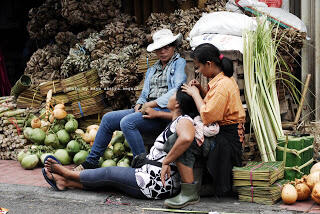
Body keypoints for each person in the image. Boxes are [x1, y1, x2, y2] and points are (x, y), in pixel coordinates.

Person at [42, 86, 199, 201]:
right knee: (111, 182)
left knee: (109, 173)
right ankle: (65, 181)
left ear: (177, 104)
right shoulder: (177, 119)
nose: (169, 97)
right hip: (154, 179)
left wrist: (167, 160)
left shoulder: (184, 120)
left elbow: (186, 138)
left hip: (154, 183)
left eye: (173, 95)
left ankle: (68, 174)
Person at [74, 29, 187, 171]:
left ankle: (143, 165)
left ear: (173, 46)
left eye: (167, 47)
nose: (163, 51)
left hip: (164, 111)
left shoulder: (179, 63)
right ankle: (91, 161)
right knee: (108, 118)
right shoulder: (152, 69)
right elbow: (145, 92)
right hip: (147, 108)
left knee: (127, 122)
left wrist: (151, 104)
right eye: (159, 48)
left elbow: (176, 89)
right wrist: (139, 103)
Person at [179, 43, 246, 198]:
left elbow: (208, 116)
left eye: (199, 67)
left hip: (229, 138)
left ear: (209, 64)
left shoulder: (223, 85)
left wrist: (195, 94)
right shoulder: (220, 81)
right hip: (224, 131)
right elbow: (213, 102)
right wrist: (201, 91)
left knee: (188, 144)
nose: (198, 71)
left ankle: (192, 189)